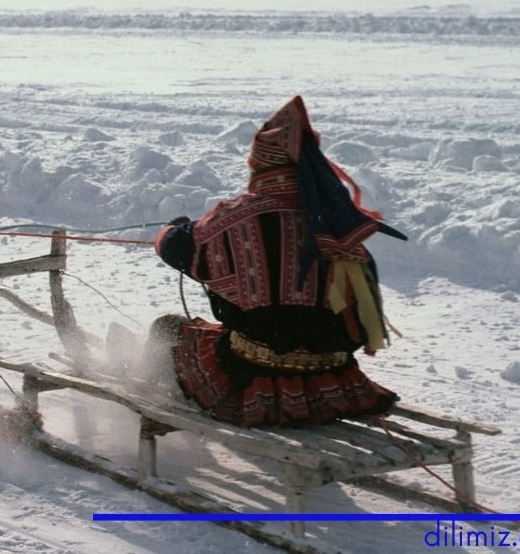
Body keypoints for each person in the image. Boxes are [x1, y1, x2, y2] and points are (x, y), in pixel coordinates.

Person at [152, 95, 406, 428]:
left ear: (261, 164)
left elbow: (174, 246)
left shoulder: (239, 215)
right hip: (334, 379)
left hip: (256, 375)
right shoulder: (344, 225)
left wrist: (173, 228)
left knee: (166, 329)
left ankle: (152, 411)